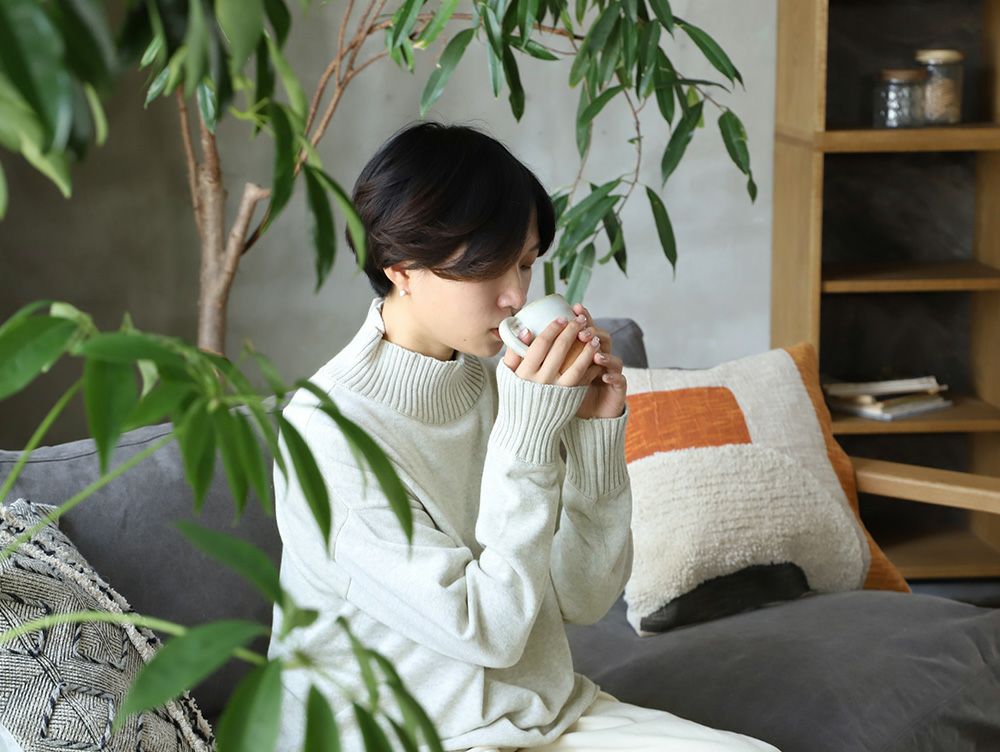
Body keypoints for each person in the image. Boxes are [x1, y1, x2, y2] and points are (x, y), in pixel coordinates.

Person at [266, 121, 780, 752]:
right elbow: (487, 629)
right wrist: (528, 439)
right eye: (489, 265)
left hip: (543, 716)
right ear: (402, 269)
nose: (516, 294)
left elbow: (583, 598)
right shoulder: (327, 433)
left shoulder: (497, 385)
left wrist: (593, 436)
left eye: (527, 262)